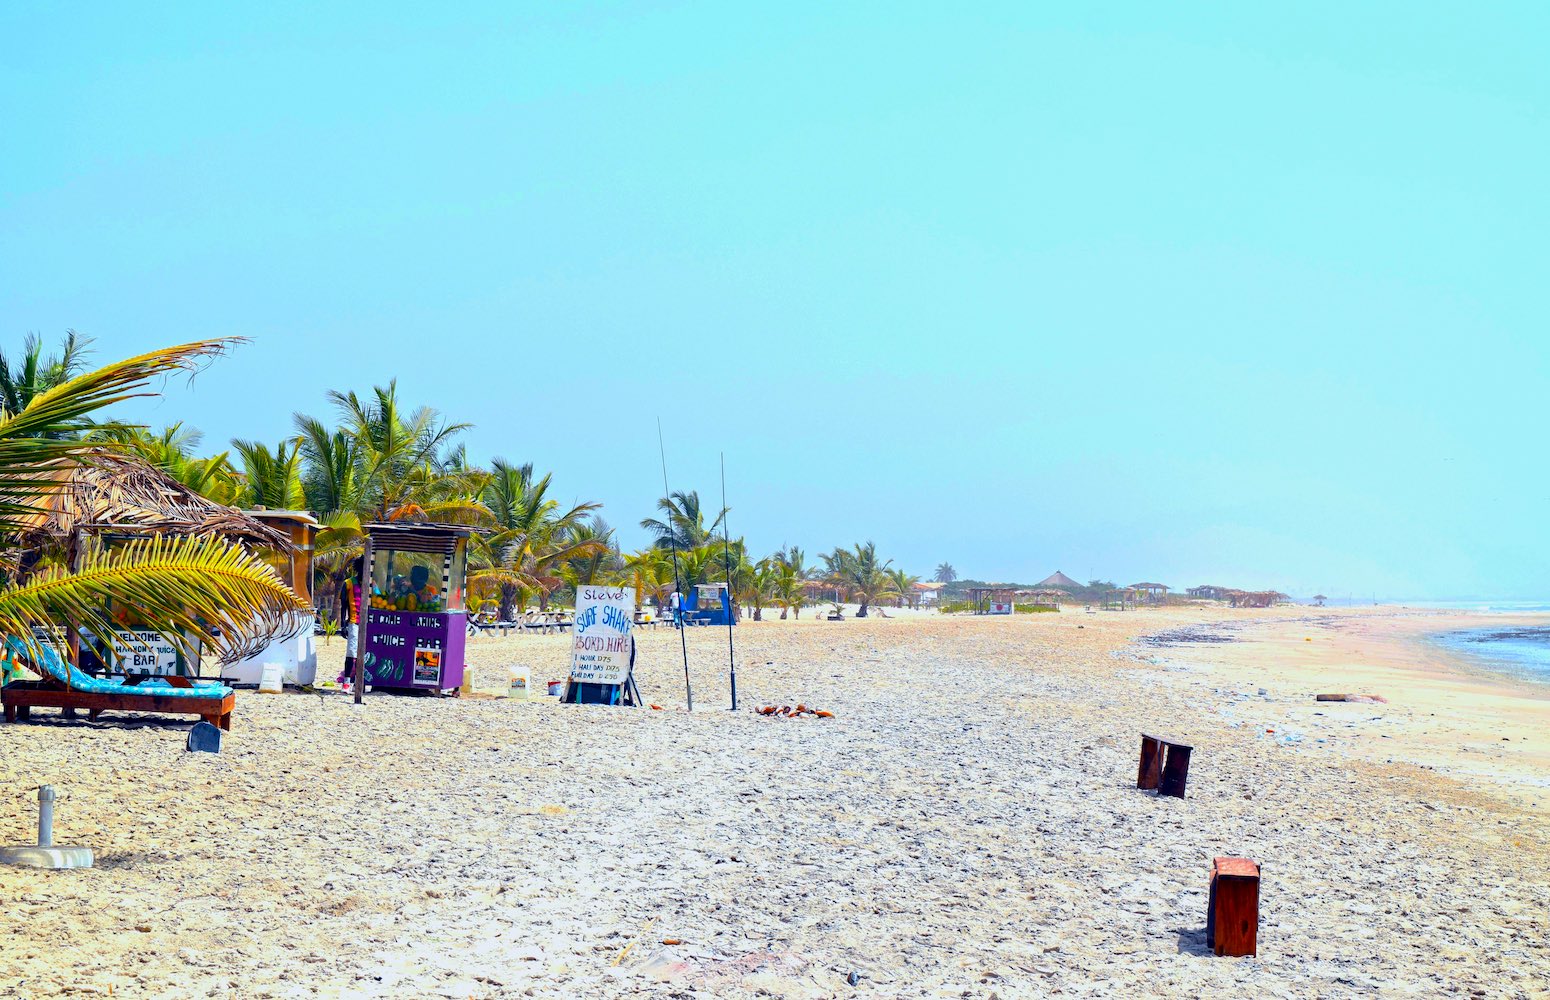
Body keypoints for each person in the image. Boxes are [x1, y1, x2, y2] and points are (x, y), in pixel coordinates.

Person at [339, 556, 364, 686]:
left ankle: (359, 682)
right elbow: (344, 606)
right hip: (354, 621)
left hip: (368, 623)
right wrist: (343, 625)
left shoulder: (372, 584)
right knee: (352, 652)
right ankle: (347, 681)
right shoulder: (348, 583)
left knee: (365, 654)